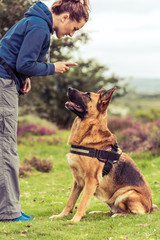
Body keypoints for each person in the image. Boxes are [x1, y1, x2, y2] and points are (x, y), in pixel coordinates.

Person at [0, 0, 89, 222]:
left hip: (7, 80)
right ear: (65, 17)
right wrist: (53, 67)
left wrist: (23, 77)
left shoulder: (35, 21)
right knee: (6, 149)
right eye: (75, 28)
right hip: (2, 85)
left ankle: (8, 209)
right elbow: (24, 63)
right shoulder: (39, 27)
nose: (72, 34)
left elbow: (14, 56)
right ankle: (9, 213)